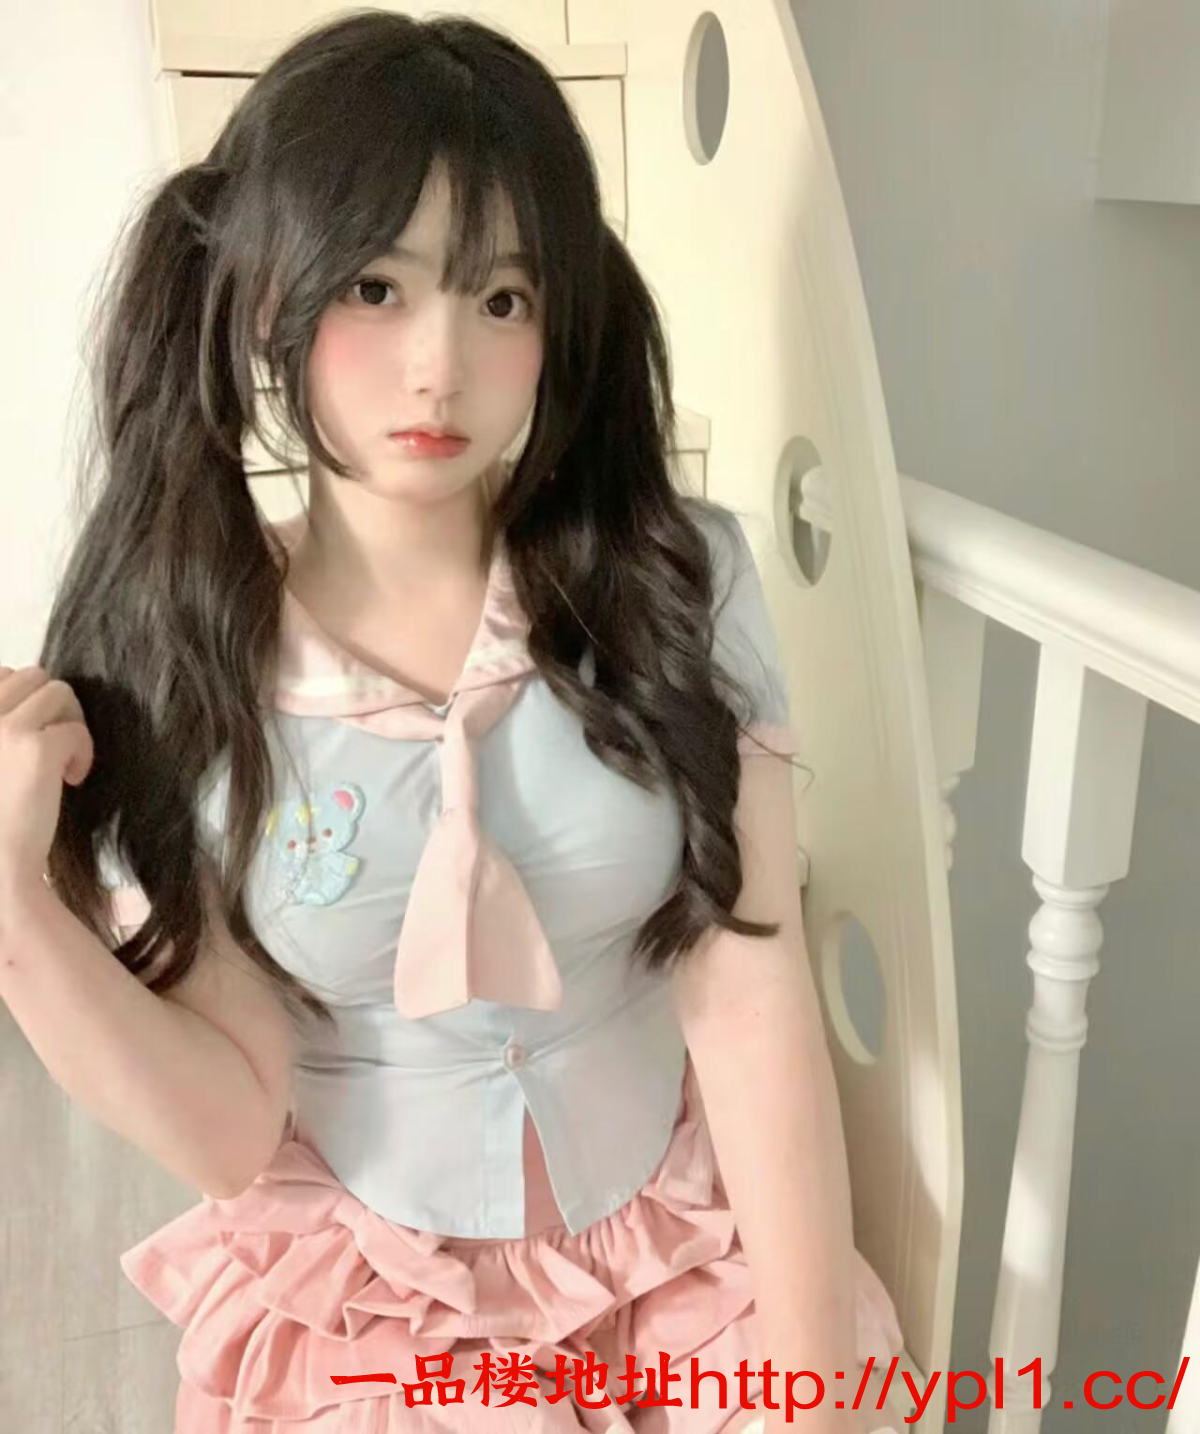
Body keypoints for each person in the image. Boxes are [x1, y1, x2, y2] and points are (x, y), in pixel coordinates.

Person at [0, 11, 903, 1432]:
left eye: (500, 298)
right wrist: (19, 915)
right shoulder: (188, 662)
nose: (439, 366)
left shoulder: (676, 581)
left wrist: (817, 1387)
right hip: (379, 1291)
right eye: (376, 286)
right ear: (267, 297)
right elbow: (229, 1127)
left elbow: (746, 985)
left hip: (681, 1247)